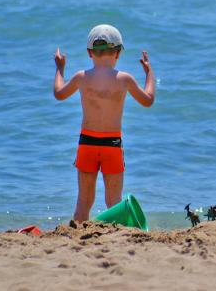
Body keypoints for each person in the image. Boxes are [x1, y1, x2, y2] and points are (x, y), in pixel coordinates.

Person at [53, 24, 155, 221]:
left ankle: (76, 236)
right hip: (112, 145)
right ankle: (115, 238)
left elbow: (59, 93)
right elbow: (148, 100)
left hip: (87, 143)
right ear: (118, 53)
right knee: (114, 202)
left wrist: (60, 68)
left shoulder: (81, 77)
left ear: (90, 53)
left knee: (84, 202)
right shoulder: (124, 79)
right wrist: (149, 72)